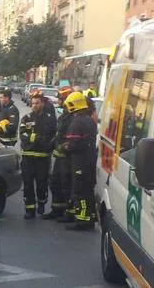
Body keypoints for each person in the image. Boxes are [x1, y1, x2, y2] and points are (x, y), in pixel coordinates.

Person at [63, 92, 98, 231]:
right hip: (89, 161)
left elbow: (74, 143)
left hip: (80, 162)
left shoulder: (77, 122)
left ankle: (82, 220)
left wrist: (65, 146)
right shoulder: (89, 120)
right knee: (87, 190)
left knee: (80, 191)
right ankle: (88, 217)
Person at [19, 91, 57, 219]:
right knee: (28, 184)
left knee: (41, 184)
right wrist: (36, 138)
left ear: (42, 104)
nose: (34, 105)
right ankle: (30, 209)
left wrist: (42, 141)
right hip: (28, 157)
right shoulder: (27, 118)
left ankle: (41, 203)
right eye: (33, 103)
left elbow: (52, 137)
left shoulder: (50, 119)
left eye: (37, 103)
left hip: (42, 157)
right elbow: (23, 134)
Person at [43, 86, 74, 220]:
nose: (59, 100)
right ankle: (56, 209)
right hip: (59, 157)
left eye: (61, 98)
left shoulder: (72, 118)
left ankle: (69, 212)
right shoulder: (65, 115)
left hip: (67, 158)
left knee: (66, 185)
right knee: (55, 183)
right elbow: (58, 134)